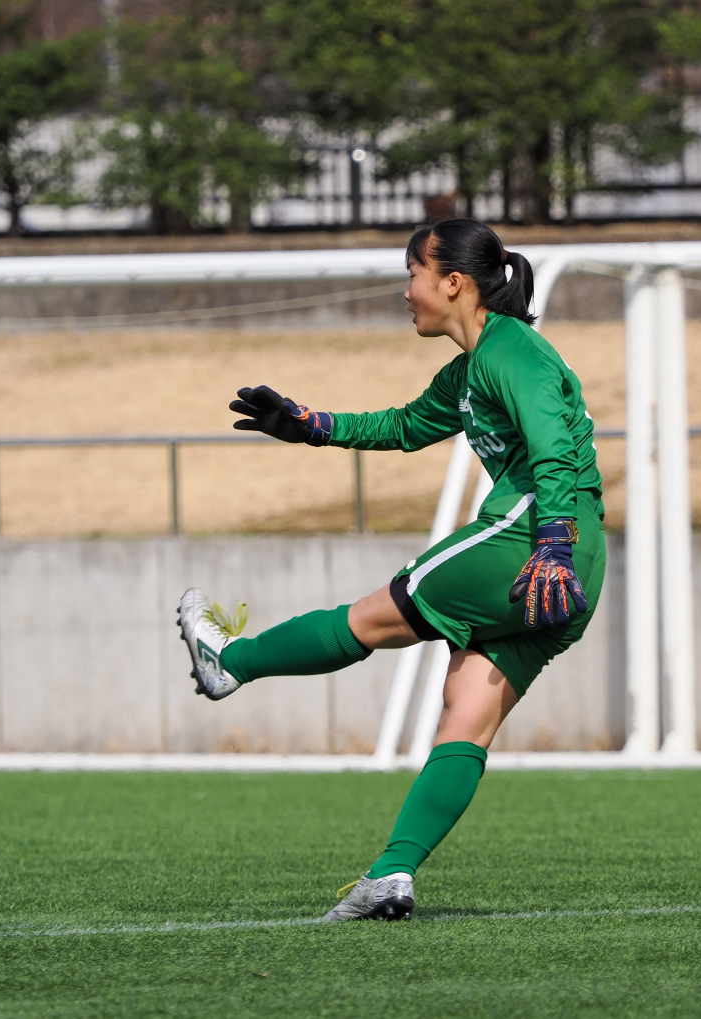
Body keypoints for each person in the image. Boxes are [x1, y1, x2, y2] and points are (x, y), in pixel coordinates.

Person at [177, 218, 606, 921]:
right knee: (466, 715)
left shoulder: (514, 351)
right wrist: (309, 424)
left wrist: (550, 542)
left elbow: (554, 446)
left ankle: (233, 659)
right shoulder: (473, 367)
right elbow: (405, 426)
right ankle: (392, 872)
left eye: (413, 274)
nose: (406, 291)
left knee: (373, 617)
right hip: (574, 555)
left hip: (530, 537)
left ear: (453, 282)